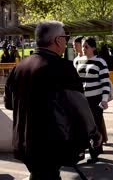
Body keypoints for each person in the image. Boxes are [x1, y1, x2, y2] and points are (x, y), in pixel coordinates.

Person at [4, 21, 101, 179]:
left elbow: (9, 103)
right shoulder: (63, 67)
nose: (66, 41)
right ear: (57, 40)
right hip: (51, 143)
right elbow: (80, 106)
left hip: (23, 141)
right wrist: (94, 134)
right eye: (65, 37)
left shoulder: (19, 67)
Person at [74, 37, 111, 164]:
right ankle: (84, 151)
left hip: (95, 99)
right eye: (83, 46)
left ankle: (94, 153)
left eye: (86, 47)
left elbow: (106, 83)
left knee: (94, 126)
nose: (83, 49)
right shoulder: (77, 61)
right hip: (81, 99)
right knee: (81, 126)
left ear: (93, 48)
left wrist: (104, 100)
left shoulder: (100, 62)